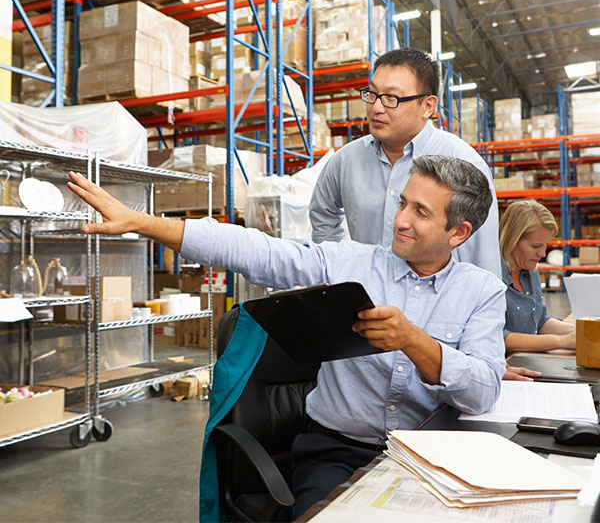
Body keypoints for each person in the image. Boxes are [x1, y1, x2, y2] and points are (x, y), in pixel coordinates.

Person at [67, 155, 506, 519]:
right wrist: (144, 223)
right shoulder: (350, 263)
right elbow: (256, 251)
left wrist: (413, 340)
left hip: (431, 462)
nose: (401, 220)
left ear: (458, 232)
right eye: (403, 203)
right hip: (337, 453)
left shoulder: (482, 292)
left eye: (421, 213)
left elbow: (483, 391)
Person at [309, 47, 501, 278]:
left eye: (391, 98)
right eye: (372, 94)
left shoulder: (464, 163)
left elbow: (482, 261)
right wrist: (338, 268)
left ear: (428, 106)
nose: (376, 108)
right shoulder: (346, 160)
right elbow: (322, 214)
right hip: (364, 294)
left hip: (435, 298)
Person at [500, 200, 575, 352]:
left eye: (546, 245)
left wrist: (582, 332)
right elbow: (498, 337)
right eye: (535, 246)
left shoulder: (530, 270)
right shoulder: (491, 276)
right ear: (512, 240)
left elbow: (540, 322)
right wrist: (562, 341)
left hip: (528, 359)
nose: (542, 254)